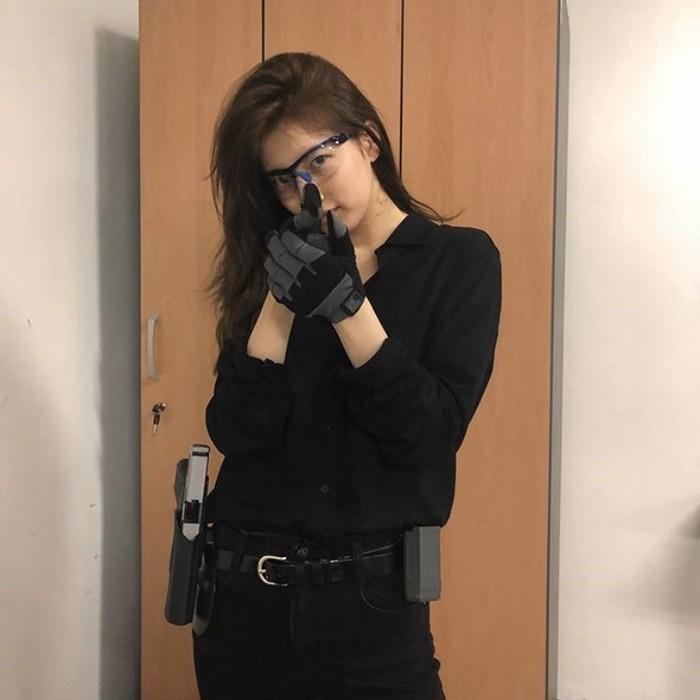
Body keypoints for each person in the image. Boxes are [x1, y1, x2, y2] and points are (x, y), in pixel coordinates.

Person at [193, 51, 502, 700]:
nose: (307, 193)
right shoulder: (272, 263)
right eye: (284, 180)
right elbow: (237, 431)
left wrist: (346, 308)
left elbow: (428, 434)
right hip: (244, 600)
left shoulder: (458, 261)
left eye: (319, 163)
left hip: (372, 609)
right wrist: (282, 298)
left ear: (368, 139)